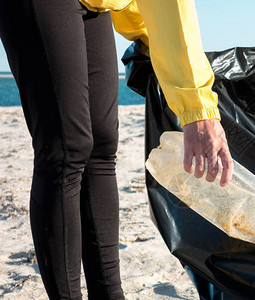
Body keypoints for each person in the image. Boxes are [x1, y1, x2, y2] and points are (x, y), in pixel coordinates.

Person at [0, 0, 232, 298]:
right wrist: (197, 110)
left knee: (101, 145)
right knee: (67, 148)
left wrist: (148, 37)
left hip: (95, 3)